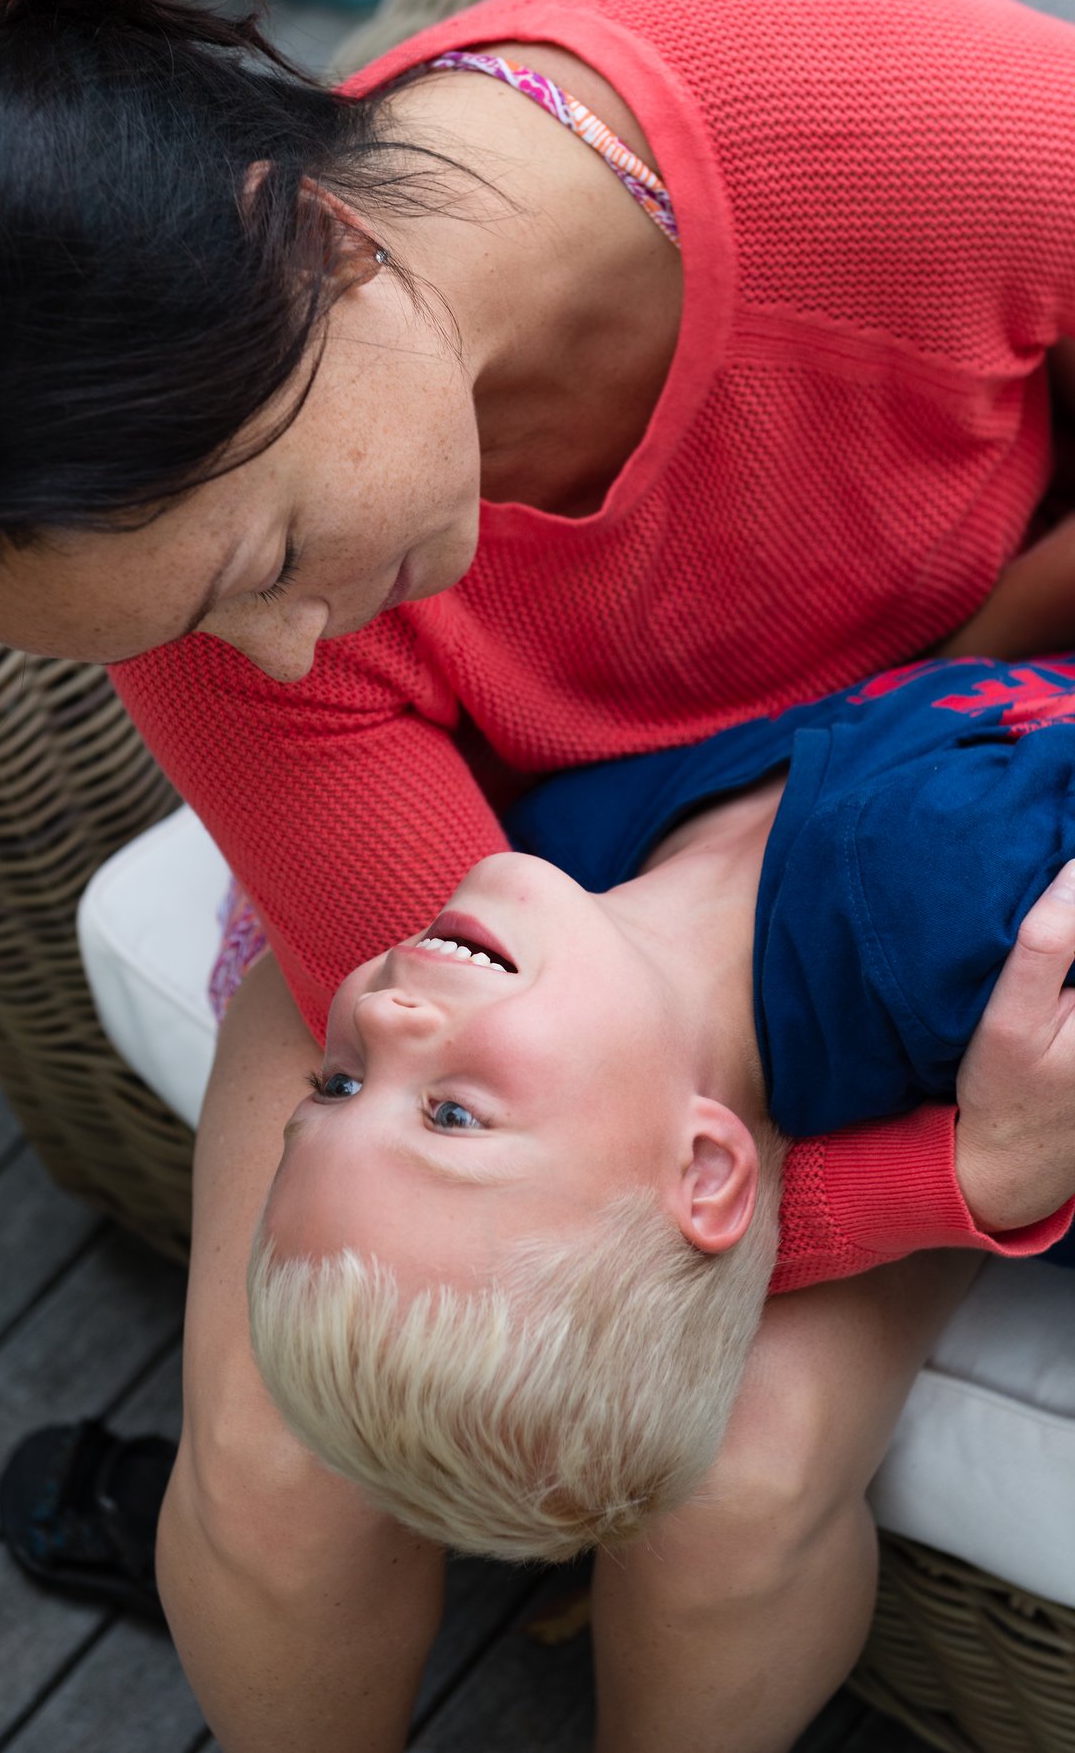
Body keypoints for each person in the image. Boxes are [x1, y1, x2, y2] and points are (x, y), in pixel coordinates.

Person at [0, 0, 1075, 1749]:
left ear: (306, 240)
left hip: (913, 845)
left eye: (274, 549)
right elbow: (477, 1035)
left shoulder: (873, 109)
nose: (282, 659)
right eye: (182, 624)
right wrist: (950, 1185)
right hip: (512, 900)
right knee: (282, 1465)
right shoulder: (236, 633)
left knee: (738, 1488)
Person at [249, 651, 1075, 1566]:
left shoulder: (567, 846)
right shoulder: (944, 921)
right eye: (450, 1117)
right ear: (704, 1170)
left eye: (337, 1088)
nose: (374, 1015)